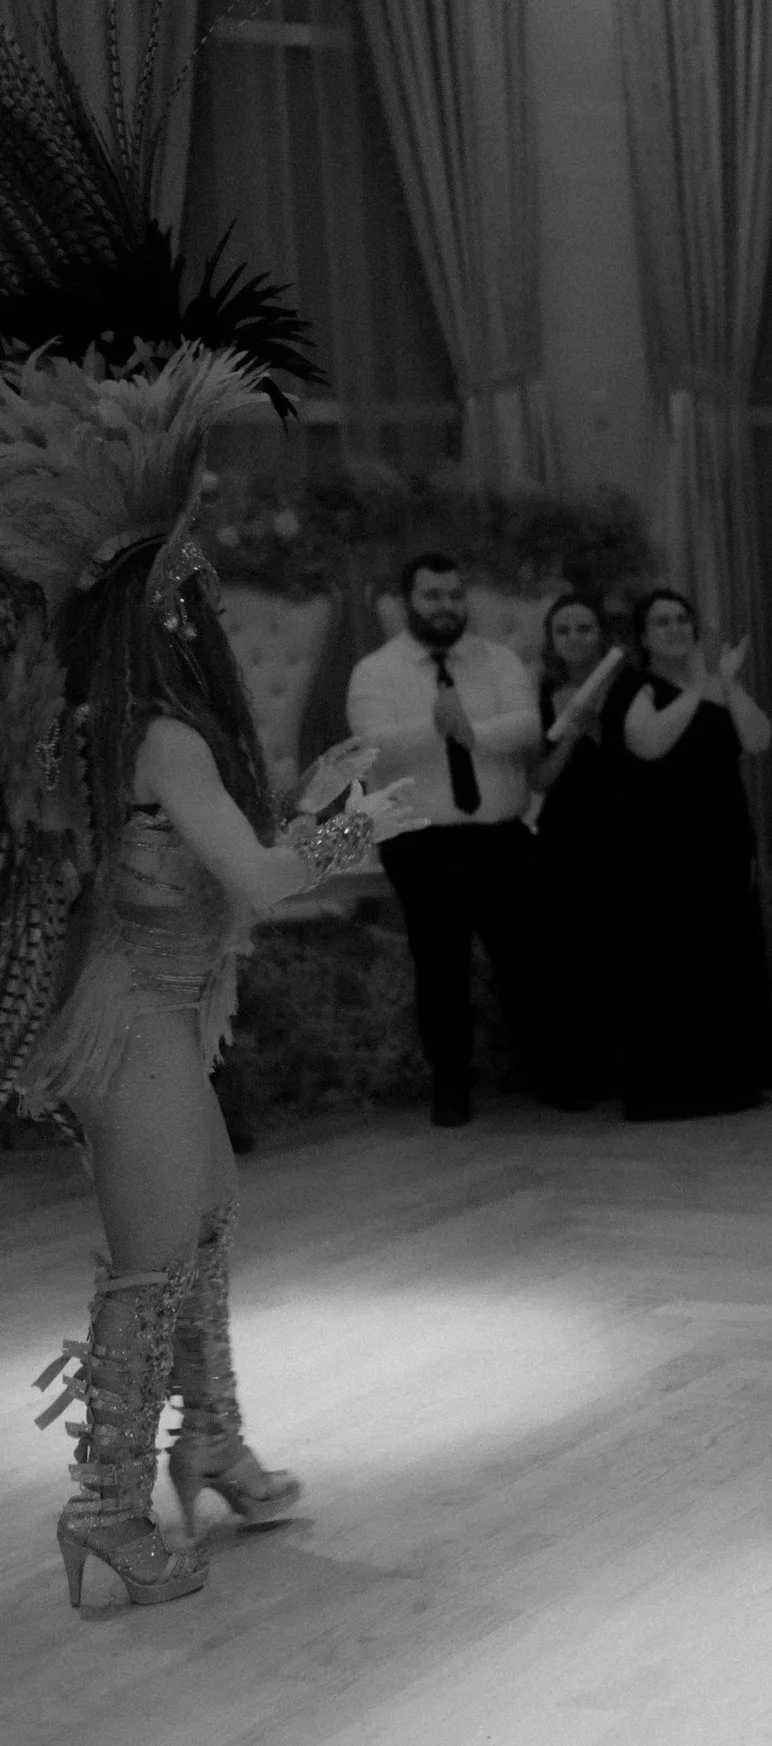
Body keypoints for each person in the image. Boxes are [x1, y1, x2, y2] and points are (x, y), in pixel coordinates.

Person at [6, 351, 425, 1612]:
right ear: (171, 620)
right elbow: (261, 882)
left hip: (158, 1014)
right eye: (202, 600)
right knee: (154, 1252)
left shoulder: (141, 735)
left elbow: (212, 858)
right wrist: (355, 828)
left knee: (202, 1229)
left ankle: (209, 1444)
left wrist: (311, 796)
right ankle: (107, 1505)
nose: (219, 622)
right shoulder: (168, 735)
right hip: (130, 1022)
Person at [347, 554, 544, 1127]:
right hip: (423, 843)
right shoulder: (376, 671)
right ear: (408, 601)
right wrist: (435, 724)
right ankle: (451, 1084)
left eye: (455, 595)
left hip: (503, 834)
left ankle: (538, 1067)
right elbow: (371, 745)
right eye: (433, 596)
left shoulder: (497, 659)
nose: (446, 607)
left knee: (525, 959)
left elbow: (527, 726)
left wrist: (471, 731)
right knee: (441, 967)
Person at [606, 589, 772, 1120]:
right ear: (642, 636)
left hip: (721, 844)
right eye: (663, 622)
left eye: (683, 619)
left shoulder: (716, 688)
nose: (676, 629)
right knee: (669, 966)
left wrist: (725, 682)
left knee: (722, 960)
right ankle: (672, 1090)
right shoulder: (632, 687)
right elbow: (649, 743)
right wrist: (703, 684)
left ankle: (727, 1081)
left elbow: (758, 739)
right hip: (659, 853)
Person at [528, 594, 625, 1108]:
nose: (574, 638)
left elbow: (637, 766)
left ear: (601, 635)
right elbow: (539, 778)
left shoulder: (627, 687)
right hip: (565, 836)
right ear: (551, 640)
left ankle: (623, 1066)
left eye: (584, 628)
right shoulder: (541, 694)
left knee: (618, 949)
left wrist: (596, 723)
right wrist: (571, 729)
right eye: (563, 630)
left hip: (619, 831)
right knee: (571, 955)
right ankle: (577, 1073)